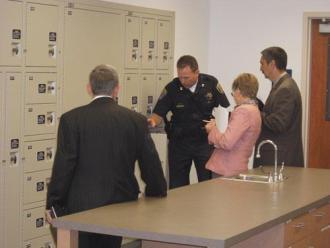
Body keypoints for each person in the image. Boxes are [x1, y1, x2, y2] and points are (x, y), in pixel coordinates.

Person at [45, 64, 167, 248]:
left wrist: (54, 204)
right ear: (117, 88)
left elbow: (64, 166)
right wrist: (156, 191)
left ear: (89, 88)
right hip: (121, 205)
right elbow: (151, 163)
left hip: (81, 206)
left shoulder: (71, 120)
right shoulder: (135, 120)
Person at [148, 55, 230, 189]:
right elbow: (158, 113)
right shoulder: (172, 88)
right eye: (180, 77)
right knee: (177, 187)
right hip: (179, 143)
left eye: (186, 77)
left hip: (204, 141)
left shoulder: (211, 83)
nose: (182, 81)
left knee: (207, 185)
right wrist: (150, 122)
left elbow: (224, 109)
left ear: (197, 72)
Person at [254, 46, 304, 167]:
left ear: (272, 64)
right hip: (278, 157)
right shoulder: (281, 85)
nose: (260, 68)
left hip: (280, 159)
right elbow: (274, 114)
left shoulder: (285, 89)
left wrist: (255, 112)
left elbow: (278, 123)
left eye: (262, 63)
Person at [205, 73, 261, 177]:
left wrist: (212, 130)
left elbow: (227, 142)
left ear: (238, 91)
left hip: (226, 169)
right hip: (236, 167)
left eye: (233, 93)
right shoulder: (255, 110)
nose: (234, 96)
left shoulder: (243, 111)